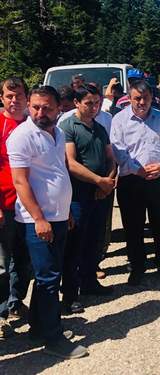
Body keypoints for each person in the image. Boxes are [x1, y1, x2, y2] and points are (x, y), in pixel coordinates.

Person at [7, 85, 88, 359]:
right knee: (49, 279)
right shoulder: (22, 136)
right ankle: (54, 339)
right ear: (29, 105)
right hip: (36, 221)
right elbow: (20, 181)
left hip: (58, 217)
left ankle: (38, 327)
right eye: (35, 107)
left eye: (47, 108)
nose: (40, 112)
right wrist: (40, 218)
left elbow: (58, 172)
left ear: (58, 108)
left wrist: (65, 212)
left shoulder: (58, 132)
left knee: (48, 276)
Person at [110, 80, 160, 286]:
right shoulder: (119, 120)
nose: (141, 102)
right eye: (137, 98)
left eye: (145, 98)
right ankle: (138, 267)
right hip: (132, 181)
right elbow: (118, 150)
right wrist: (135, 169)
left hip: (158, 179)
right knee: (133, 226)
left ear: (151, 98)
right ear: (129, 98)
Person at [59, 84, 115, 314]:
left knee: (94, 239)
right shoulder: (68, 127)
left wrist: (109, 181)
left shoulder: (100, 128)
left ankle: (90, 282)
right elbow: (70, 163)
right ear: (77, 103)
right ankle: (70, 294)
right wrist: (98, 181)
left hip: (100, 193)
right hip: (78, 194)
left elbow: (111, 157)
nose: (93, 107)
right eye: (88, 103)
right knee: (75, 244)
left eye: (97, 103)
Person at [0, 77, 31, 338]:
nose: (14, 101)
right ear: (1, 98)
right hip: (5, 204)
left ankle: (15, 302)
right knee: (2, 262)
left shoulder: (34, 123)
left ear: (26, 98)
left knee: (25, 260)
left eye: (18, 96)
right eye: (9, 96)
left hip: (30, 205)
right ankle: (0, 315)